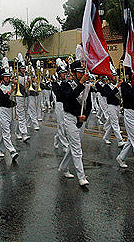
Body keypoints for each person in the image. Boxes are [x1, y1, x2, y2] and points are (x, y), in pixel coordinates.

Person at [58, 59, 91, 187]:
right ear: (73, 72)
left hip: (80, 119)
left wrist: (85, 115)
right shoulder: (65, 85)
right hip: (70, 117)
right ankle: (81, 176)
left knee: (73, 146)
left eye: (83, 71)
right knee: (77, 147)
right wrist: (81, 83)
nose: (82, 73)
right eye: (79, 72)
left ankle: (64, 167)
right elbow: (70, 97)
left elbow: (89, 104)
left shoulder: (87, 85)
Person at [0, 57, 19, 161]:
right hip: (2, 110)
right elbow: (2, 99)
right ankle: (12, 151)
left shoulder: (12, 85)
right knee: (6, 131)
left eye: (9, 77)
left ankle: (0, 148)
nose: (8, 79)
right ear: (2, 77)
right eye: (6, 77)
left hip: (10, 111)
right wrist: (11, 91)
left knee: (9, 130)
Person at [101, 64, 125, 147]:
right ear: (110, 78)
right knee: (115, 123)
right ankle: (120, 140)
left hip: (118, 106)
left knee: (112, 123)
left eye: (116, 76)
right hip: (110, 106)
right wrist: (117, 87)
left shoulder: (118, 86)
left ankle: (106, 137)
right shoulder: (107, 86)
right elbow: (109, 95)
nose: (116, 78)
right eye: (114, 76)